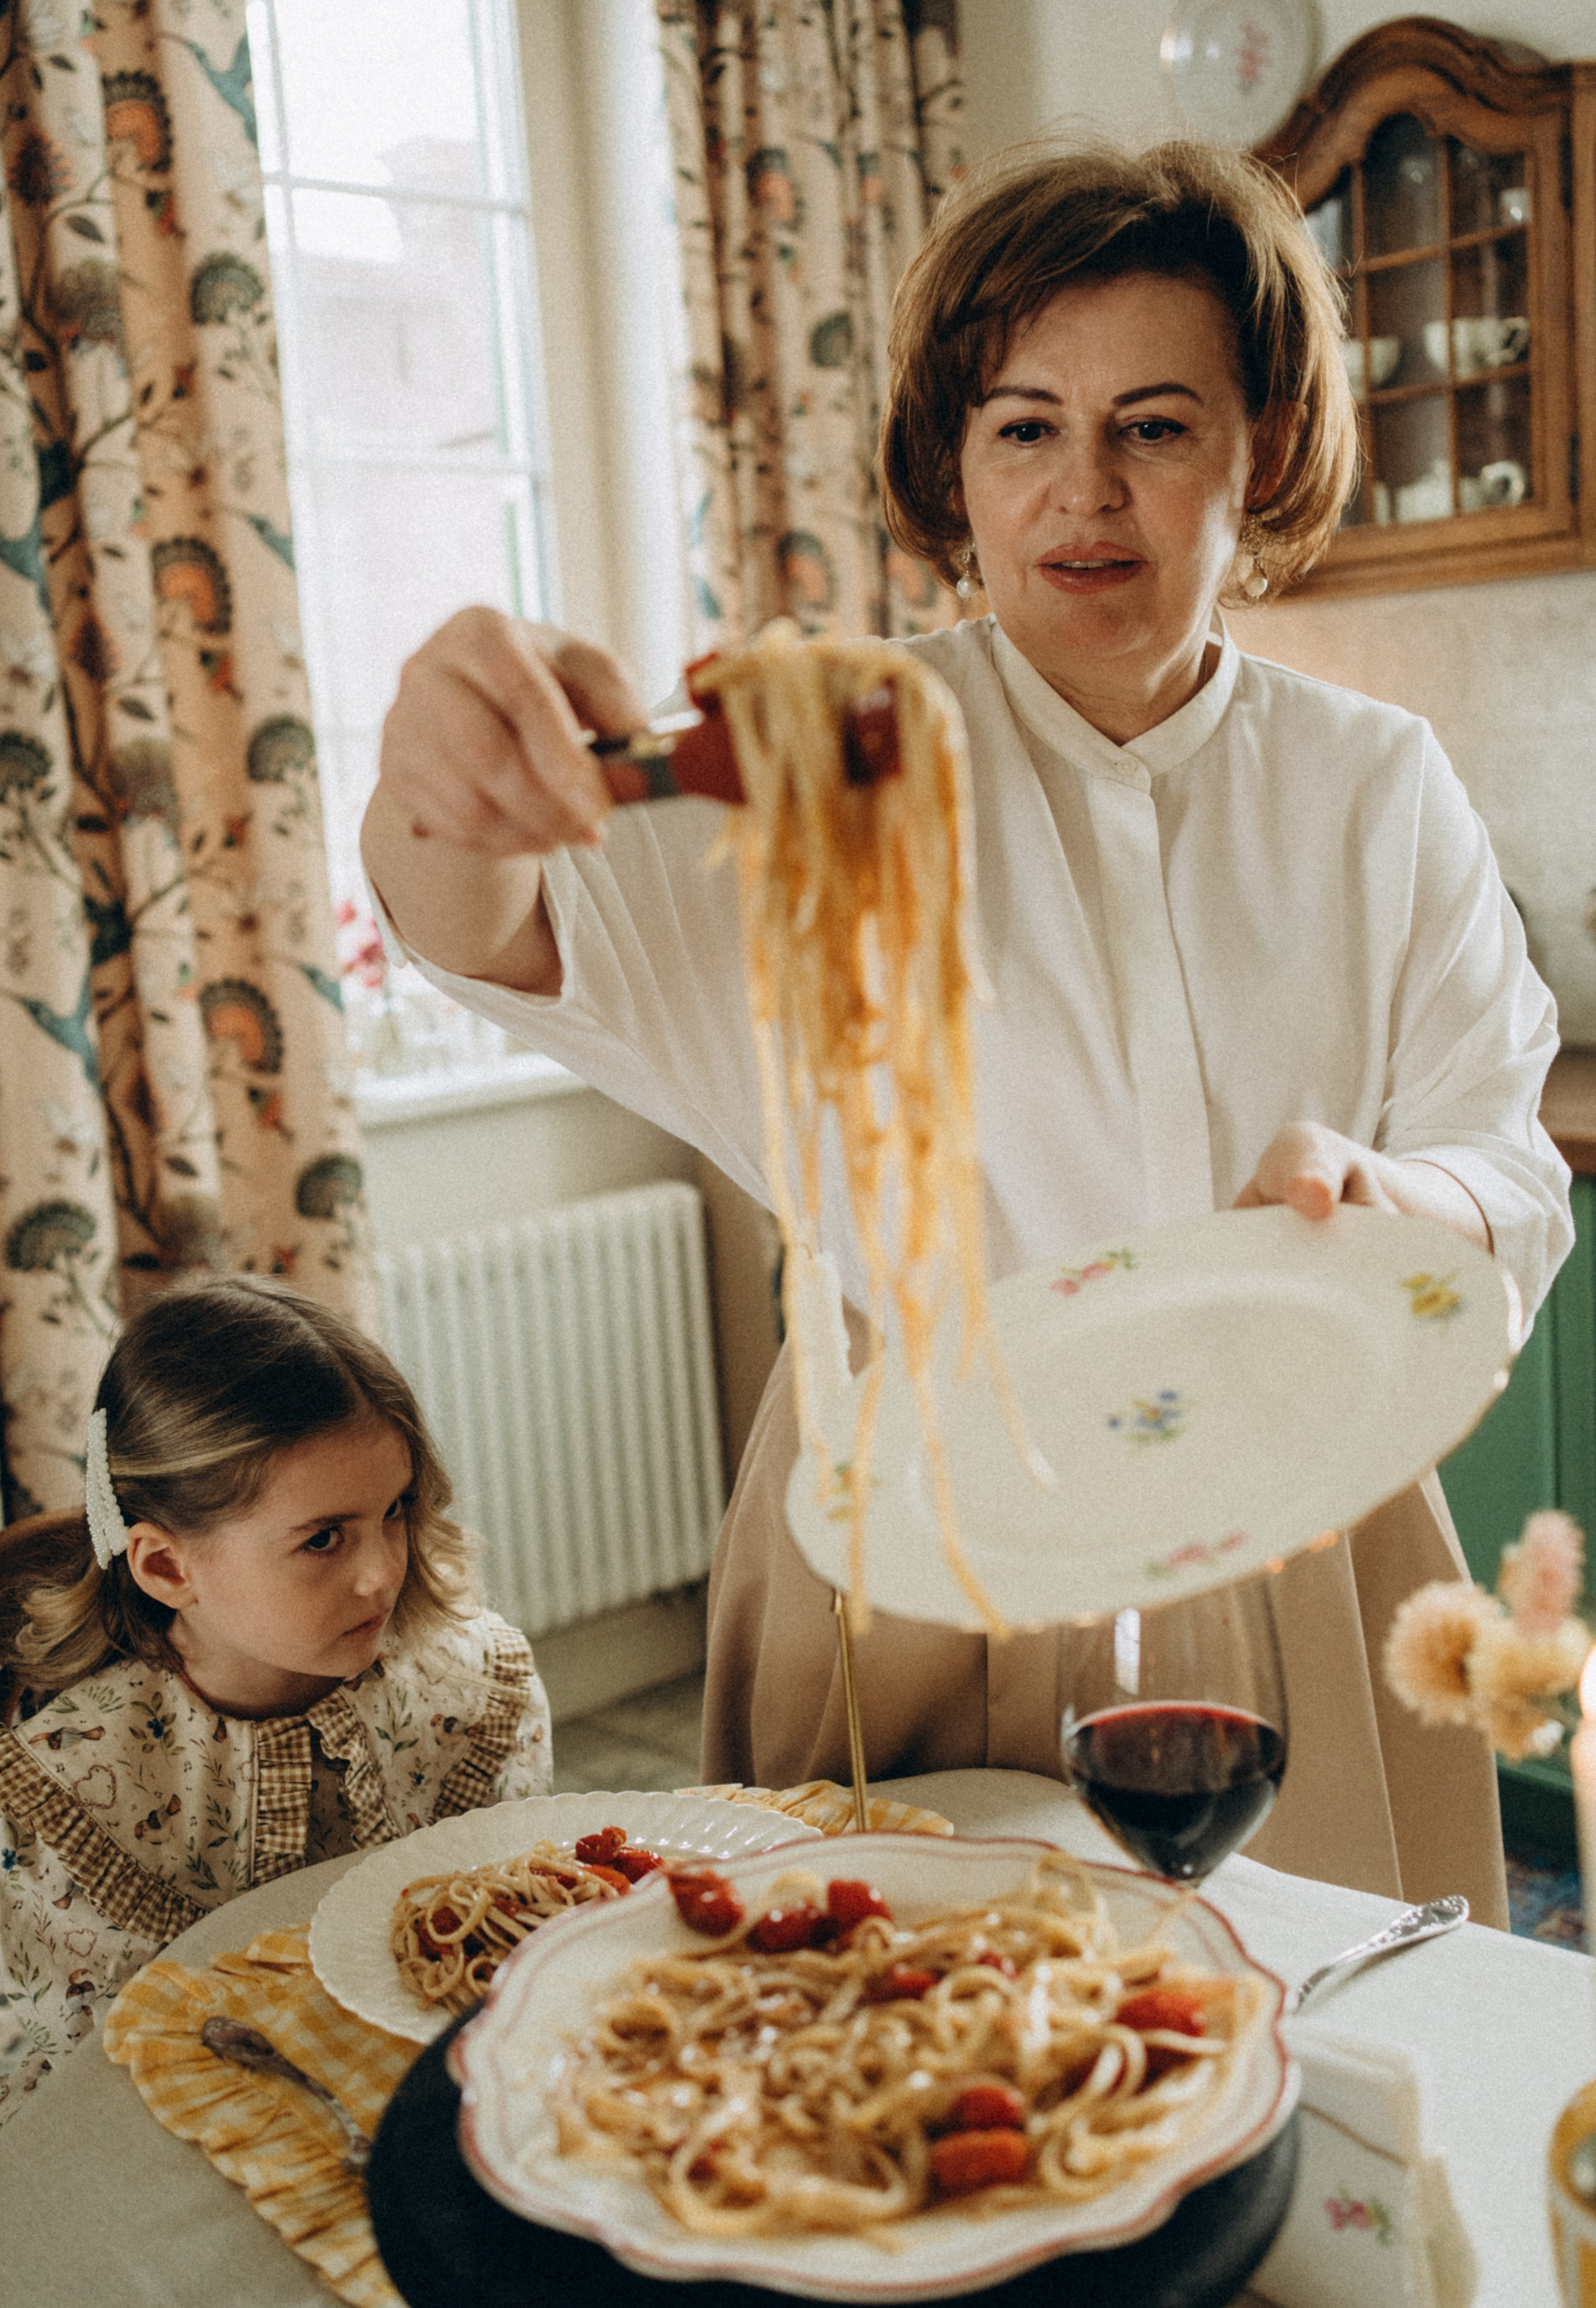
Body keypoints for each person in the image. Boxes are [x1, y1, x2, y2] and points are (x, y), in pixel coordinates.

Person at [359, 139, 1574, 1930]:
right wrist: (439, 783)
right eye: (1024, 427)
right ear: (956, 463)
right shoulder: (832, 760)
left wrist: (1399, 1197)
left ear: (1260, 452)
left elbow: (1505, 1159)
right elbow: (500, 929)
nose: (1085, 490)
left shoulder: (1372, 783)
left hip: (1286, 1494)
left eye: (1154, 426)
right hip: (907, 1514)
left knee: (1314, 2020)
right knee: (897, 2034)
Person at [0, 1276, 551, 2125]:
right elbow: (61, 2096)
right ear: (167, 1567)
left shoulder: (475, 1697)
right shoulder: (64, 1800)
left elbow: (521, 1967)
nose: (382, 1572)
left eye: (395, 1510)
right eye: (323, 1539)